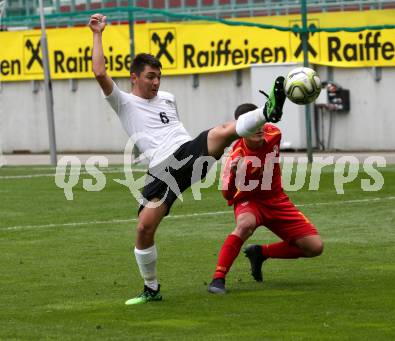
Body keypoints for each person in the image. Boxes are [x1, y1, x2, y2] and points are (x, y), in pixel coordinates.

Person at [88, 14, 287, 305]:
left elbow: (176, 134)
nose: (156, 82)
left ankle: (266, 112)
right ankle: (151, 289)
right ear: (134, 77)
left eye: (159, 76)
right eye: (150, 77)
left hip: (186, 153)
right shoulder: (123, 101)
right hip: (161, 171)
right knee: (144, 228)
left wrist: (201, 153)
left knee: (221, 132)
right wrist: (97, 34)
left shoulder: (167, 97)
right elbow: (98, 72)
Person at [207, 103, 324, 294]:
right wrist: (235, 174)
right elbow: (227, 195)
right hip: (250, 202)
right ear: (240, 129)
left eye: (260, 121)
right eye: (252, 124)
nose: (259, 127)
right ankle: (218, 280)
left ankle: (260, 253)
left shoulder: (274, 134)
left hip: (277, 200)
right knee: (245, 225)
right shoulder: (236, 156)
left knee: (315, 247)